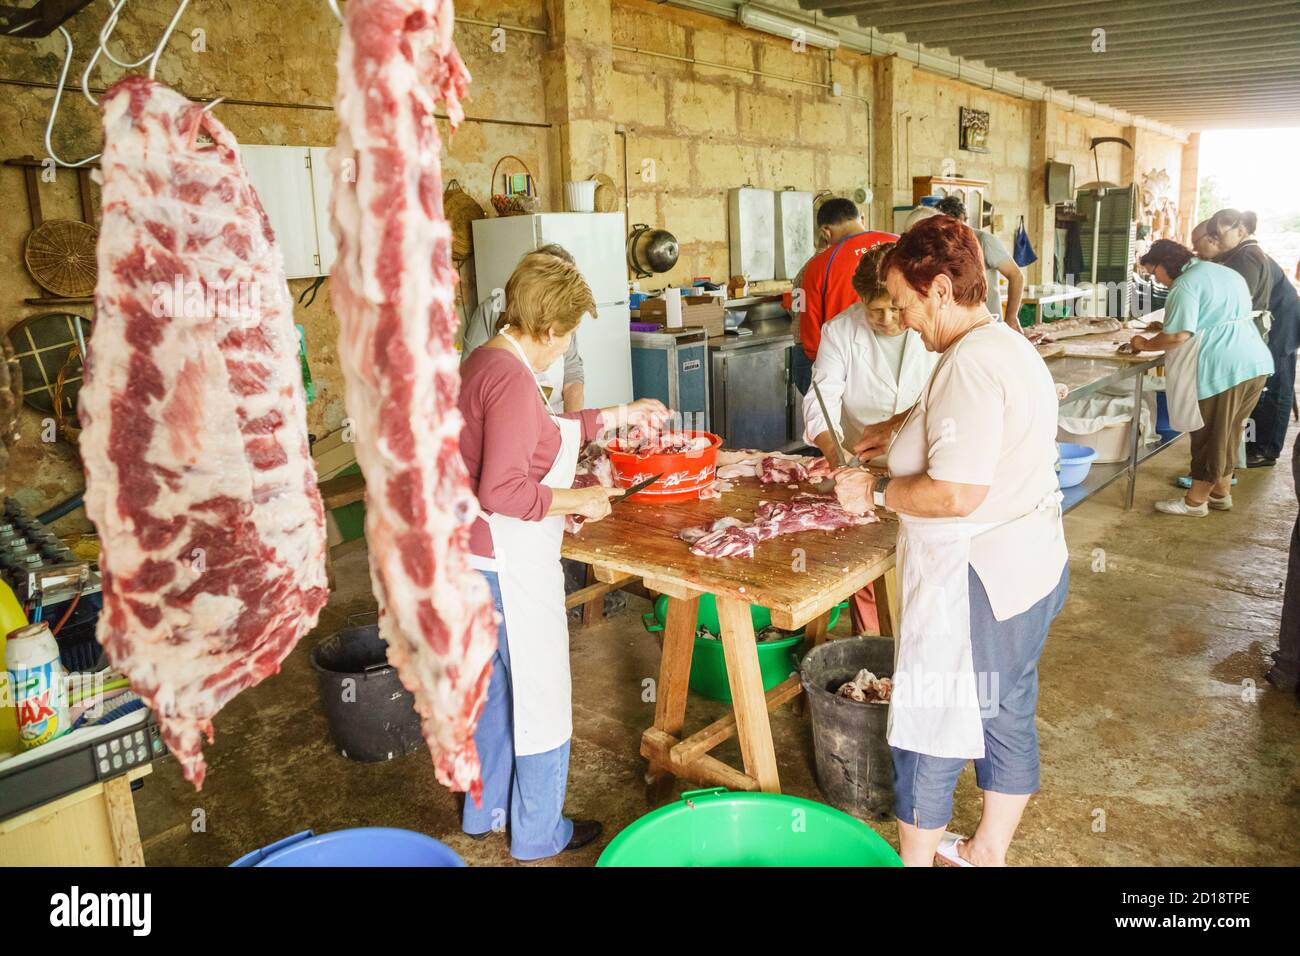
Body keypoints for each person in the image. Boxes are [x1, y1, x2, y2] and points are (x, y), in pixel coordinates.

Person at [832, 215, 1069, 867]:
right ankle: (986, 850)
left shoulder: (966, 365)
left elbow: (957, 494)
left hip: (978, 582)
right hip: (1031, 565)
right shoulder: (1001, 343)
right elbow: (970, 417)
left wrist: (875, 493)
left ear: (939, 290)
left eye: (906, 304)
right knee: (1004, 704)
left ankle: (913, 861)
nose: (903, 318)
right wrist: (903, 424)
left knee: (933, 726)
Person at [458, 251, 669, 860]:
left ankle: (484, 813)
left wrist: (620, 414)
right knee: (542, 695)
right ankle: (537, 833)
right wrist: (581, 498)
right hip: (507, 564)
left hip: (468, 560)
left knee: (493, 691)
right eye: (570, 332)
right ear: (549, 328)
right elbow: (500, 489)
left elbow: (541, 429)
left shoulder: (485, 360)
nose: (568, 345)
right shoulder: (514, 378)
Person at [804, 242, 937, 635]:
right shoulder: (840, 331)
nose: (887, 319)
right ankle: (872, 646)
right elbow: (821, 398)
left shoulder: (930, 327)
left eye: (895, 308)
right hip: (860, 464)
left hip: (924, 464)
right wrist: (834, 450)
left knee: (920, 563)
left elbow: (945, 393)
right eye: (874, 309)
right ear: (859, 299)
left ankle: (917, 641)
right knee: (865, 560)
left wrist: (898, 426)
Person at [1128, 240, 1273, 516]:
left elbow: (1178, 335)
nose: (1154, 279)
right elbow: (1213, 314)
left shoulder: (1185, 283)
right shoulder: (1222, 272)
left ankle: (1195, 502)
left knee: (1210, 435)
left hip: (1222, 367)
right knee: (1229, 431)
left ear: (1165, 264)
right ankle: (1220, 492)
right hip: (1253, 361)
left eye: (1152, 271)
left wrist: (1142, 343)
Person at [1206, 209, 1299, 468]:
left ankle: (1266, 450)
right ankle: (1252, 444)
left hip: (1281, 323)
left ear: (1241, 231)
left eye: (1217, 235)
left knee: (1275, 388)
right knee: (1263, 390)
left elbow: (1239, 300)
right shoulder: (1238, 254)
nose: (1213, 241)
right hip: (1270, 322)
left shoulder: (1246, 255)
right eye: (1210, 236)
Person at [462, 243, 585, 414]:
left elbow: (572, 369)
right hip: (505, 415)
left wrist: (573, 422)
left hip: (555, 419)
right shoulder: (491, 312)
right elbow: (471, 378)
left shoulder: (563, 315)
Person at [793, 198, 895, 395]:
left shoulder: (819, 265)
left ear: (826, 232)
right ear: (861, 219)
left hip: (840, 364)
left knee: (832, 421)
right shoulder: (898, 242)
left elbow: (810, 335)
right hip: (899, 356)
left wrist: (821, 370)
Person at [933, 195, 1024, 331]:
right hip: (956, 326)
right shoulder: (941, 245)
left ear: (962, 219)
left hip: (988, 324)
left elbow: (1016, 275)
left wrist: (1011, 317)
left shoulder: (984, 241)